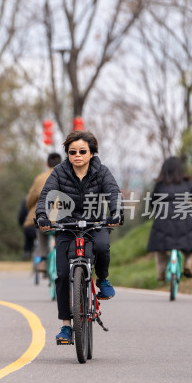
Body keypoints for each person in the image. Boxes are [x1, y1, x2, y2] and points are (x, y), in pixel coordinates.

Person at [35, 131, 122, 345]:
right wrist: (42, 216)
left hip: (95, 224)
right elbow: (46, 194)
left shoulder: (101, 172)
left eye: (83, 151)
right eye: (72, 152)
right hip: (67, 225)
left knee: (102, 247)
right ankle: (66, 325)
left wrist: (117, 213)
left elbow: (113, 192)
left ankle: (102, 279)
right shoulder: (59, 172)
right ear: (68, 154)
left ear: (92, 153)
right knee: (63, 274)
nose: (78, 155)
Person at [146, 156, 192, 280]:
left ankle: (161, 272)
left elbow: (152, 202)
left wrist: (158, 213)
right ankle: (188, 263)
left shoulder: (160, 184)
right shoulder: (186, 183)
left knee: (160, 248)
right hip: (185, 217)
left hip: (164, 218)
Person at [25, 153, 63, 271]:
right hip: (63, 218)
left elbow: (30, 199)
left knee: (40, 231)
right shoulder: (67, 176)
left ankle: (42, 259)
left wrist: (30, 207)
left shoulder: (40, 178)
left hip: (44, 217)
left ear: (47, 164)